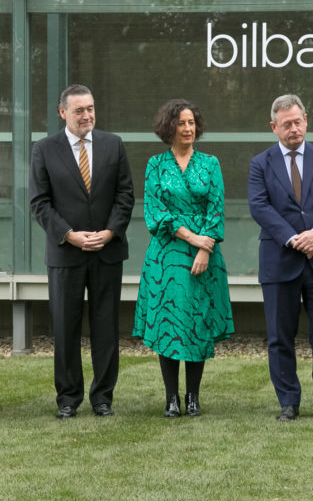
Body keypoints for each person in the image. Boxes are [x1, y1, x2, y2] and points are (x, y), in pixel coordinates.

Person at [29, 84, 135, 419]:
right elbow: (39, 203)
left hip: (106, 252)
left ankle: (102, 398)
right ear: (63, 113)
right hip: (66, 254)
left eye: (90, 108)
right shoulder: (44, 149)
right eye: (79, 110)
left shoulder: (112, 144)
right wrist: (69, 235)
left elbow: (125, 195)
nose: (86, 115)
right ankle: (68, 399)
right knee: (65, 328)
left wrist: (108, 232)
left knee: (106, 328)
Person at [248, 94, 313, 422]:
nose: (294, 129)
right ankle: (288, 403)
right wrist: (294, 238)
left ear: (306, 119)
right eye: (287, 124)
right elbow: (259, 206)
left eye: (298, 121)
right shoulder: (260, 164)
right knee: (280, 336)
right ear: (273, 127)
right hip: (280, 259)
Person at [133, 99, 234, 417]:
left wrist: (205, 248)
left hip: (206, 254)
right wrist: (192, 237)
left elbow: (216, 209)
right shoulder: (155, 165)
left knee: (196, 321)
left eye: (191, 122)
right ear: (169, 127)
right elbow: (155, 214)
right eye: (181, 123)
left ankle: (193, 397)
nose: (188, 128)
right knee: (169, 323)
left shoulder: (210, 163)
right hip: (166, 254)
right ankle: (171, 398)